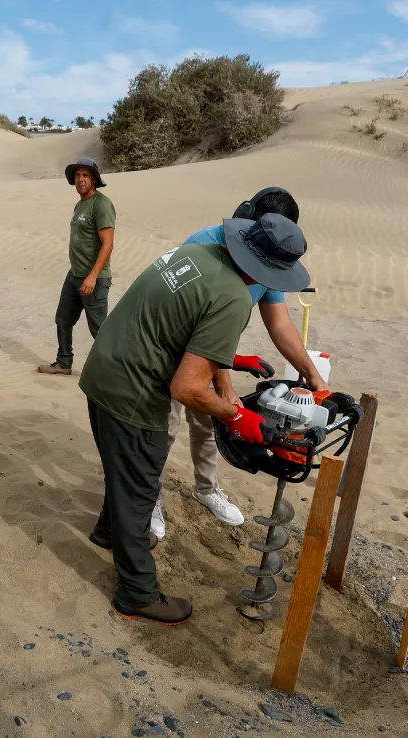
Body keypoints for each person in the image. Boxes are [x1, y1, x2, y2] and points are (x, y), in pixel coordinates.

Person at [79, 212, 311, 625]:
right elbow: (186, 389)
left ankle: (109, 533)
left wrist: (229, 369)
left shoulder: (197, 253)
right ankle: (137, 593)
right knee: (141, 480)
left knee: (124, 469)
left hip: (103, 369)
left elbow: (184, 328)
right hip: (132, 391)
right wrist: (236, 416)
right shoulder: (234, 297)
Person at [150, 187, 330, 539]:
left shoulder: (270, 257)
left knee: (206, 427)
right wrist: (227, 390)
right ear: (246, 219)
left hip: (212, 350)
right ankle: (149, 497)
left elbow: (279, 323)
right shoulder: (204, 246)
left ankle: (205, 488)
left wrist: (313, 377)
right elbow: (190, 329)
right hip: (172, 352)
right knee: (164, 430)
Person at [37, 158, 115, 376]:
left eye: (86, 175)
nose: (80, 179)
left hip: (94, 279)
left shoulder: (102, 205)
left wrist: (92, 276)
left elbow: (107, 244)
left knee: (99, 329)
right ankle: (64, 362)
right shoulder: (81, 203)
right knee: (63, 318)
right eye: (78, 175)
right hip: (75, 275)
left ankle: (113, 371)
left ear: (95, 180)